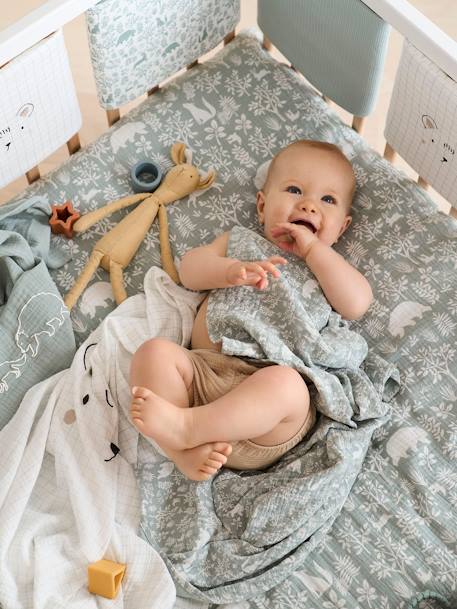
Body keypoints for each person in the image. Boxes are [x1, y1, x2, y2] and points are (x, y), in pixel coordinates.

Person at [129, 140, 373, 481]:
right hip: (202, 377)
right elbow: (189, 269)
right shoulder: (240, 243)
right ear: (262, 205)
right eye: (293, 190)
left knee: (288, 387)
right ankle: (182, 452)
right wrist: (228, 271)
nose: (308, 205)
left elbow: (358, 303)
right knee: (152, 354)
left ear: (342, 227)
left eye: (327, 200)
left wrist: (316, 251)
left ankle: (187, 428)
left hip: (263, 414)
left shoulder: (327, 270)